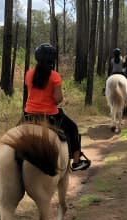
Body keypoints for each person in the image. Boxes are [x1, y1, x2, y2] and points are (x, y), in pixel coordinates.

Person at [24, 43, 91, 171]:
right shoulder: (54, 76)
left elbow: (31, 93)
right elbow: (58, 99)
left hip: (29, 115)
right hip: (50, 116)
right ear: (52, 59)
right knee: (73, 128)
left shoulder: (28, 74)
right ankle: (76, 162)